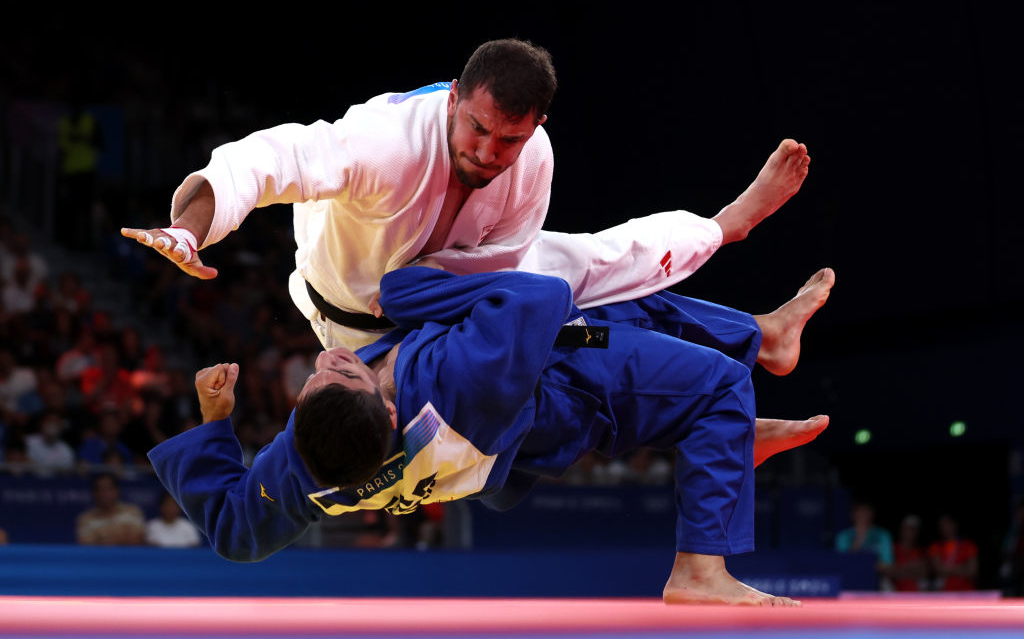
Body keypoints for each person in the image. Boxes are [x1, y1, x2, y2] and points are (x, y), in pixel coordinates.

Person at [150, 264, 834, 606]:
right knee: (708, 383)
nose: (330, 358)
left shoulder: (300, 468)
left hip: (494, 461)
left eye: (320, 378)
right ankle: (700, 568)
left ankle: (759, 348)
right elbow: (543, 298)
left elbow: (236, 531)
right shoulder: (458, 377)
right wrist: (406, 292)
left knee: (624, 304)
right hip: (552, 388)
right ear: (385, 411)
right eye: (348, 375)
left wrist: (216, 422)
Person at [121, 38, 811, 351]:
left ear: (535, 127)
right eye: (477, 128)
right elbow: (270, 160)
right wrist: (190, 227)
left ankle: (732, 250)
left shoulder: (533, 155)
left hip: (448, 297)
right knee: (562, 315)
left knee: (595, 267)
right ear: (453, 99)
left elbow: (510, 262)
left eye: (506, 140)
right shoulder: (381, 140)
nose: (485, 152)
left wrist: (515, 311)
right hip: (350, 321)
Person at [835, 501, 894, 588]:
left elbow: (888, 564)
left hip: (877, 579)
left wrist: (864, 565)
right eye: (860, 512)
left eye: (866, 512)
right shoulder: (843, 536)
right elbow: (842, 563)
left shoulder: (882, 535)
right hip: (849, 578)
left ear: (872, 514)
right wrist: (860, 536)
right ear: (853, 514)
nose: (863, 515)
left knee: (887, 586)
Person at [75, 473, 146, 546]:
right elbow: (87, 546)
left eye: (108, 489)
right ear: (94, 493)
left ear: (117, 491)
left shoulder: (133, 511)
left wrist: (102, 539)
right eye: (100, 489)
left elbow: (138, 540)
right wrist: (123, 537)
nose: (105, 494)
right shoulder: (85, 518)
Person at [928, 513, 978, 591]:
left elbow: (972, 571)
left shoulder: (968, 545)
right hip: (944, 591)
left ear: (954, 524)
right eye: (941, 524)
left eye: (947, 523)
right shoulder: (935, 547)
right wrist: (962, 568)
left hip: (966, 591)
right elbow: (937, 570)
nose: (944, 527)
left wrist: (946, 569)